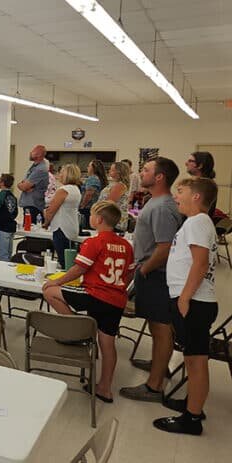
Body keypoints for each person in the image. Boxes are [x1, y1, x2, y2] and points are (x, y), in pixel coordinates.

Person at [43, 201, 135, 403]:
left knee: (50, 292)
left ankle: (78, 329)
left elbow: (79, 269)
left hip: (95, 295)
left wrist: (56, 281)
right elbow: (130, 273)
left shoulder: (94, 242)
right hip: (116, 300)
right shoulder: (126, 246)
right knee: (107, 344)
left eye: (92, 215)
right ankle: (105, 388)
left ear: (99, 219)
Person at [154, 177, 218, 435]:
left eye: (181, 191)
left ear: (196, 196)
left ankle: (191, 418)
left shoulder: (197, 222)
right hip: (194, 299)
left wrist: (184, 298)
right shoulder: (196, 223)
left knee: (195, 360)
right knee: (195, 357)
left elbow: (200, 263)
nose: (176, 196)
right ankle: (194, 404)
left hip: (194, 301)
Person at [120, 157, 182, 403]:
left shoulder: (163, 207)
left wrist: (144, 270)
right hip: (152, 272)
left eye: (146, 170)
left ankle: (154, 386)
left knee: (161, 327)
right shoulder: (155, 202)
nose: (141, 173)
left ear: (159, 177)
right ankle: (158, 364)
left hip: (157, 274)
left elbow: (165, 247)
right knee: (158, 327)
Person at [44, 164, 83, 268]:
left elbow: (51, 210)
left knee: (63, 260)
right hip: (72, 226)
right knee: (70, 259)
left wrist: (46, 223)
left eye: (61, 173)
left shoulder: (63, 190)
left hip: (61, 227)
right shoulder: (76, 189)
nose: (59, 175)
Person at [0, 174, 18, 262]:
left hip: (1, 228)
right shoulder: (13, 197)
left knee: (2, 256)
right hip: (11, 228)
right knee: (8, 254)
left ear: (2, 183)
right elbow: (15, 213)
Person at [17, 145, 49, 223]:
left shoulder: (40, 169)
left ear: (38, 154)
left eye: (32, 151)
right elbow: (23, 184)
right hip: (30, 204)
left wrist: (23, 185)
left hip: (34, 206)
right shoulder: (34, 166)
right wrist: (21, 184)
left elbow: (24, 186)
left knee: (30, 230)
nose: (30, 153)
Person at [186, 151, 217, 219]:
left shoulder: (205, 187)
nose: (186, 163)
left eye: (190, 161)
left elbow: (192, 211)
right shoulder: (196, 183)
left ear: (200, 165)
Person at [100, 161, 130, 231]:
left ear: (118, 172)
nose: (109, 170)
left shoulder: (120, 185)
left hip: (113, 221)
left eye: (112, 169)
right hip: (109, 218)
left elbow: (109, 202)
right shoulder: (114, 184)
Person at [79, 160, 108, 230]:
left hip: (88, 207)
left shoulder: (92, 178)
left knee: (86, 227)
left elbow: (89, 193)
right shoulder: (99, 178)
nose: (87, 168)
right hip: (94, 206)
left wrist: (82, 205)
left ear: (94, 168)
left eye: (89, 166)